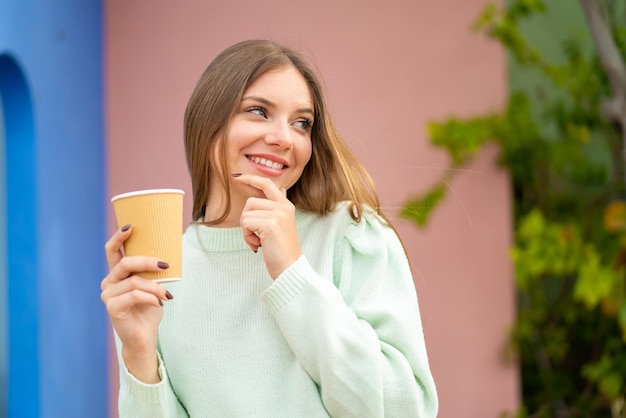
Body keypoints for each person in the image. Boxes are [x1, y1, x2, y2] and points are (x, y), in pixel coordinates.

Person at [101, 39, 438, 418]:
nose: (284, 138)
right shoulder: (163, 273)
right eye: (259, 112)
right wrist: (138, 353)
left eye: (301, 123)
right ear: (206, 121)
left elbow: (404, 410)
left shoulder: (350, 235)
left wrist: (293, 275)